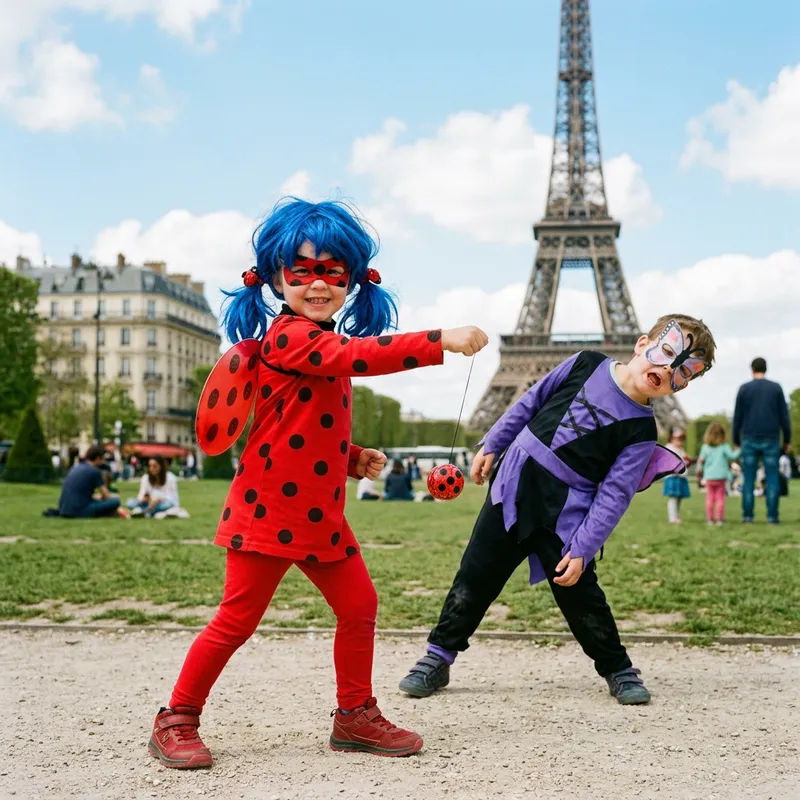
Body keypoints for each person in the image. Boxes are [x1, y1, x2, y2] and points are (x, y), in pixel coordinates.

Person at [148, 198, 489, 770]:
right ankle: (175, 719)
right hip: (267, 511)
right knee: (236, 620)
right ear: (276, 277)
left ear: (352, 280)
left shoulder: (317, 344)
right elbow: (356, 355)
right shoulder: (289, 337)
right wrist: (439, 340)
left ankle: (354, 715)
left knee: (360, 605)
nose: (317, 283)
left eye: (332, 272)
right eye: (300, 271)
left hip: (319, 513)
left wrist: (351, 458)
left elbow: (296, 422)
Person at [399, 314, 715, 707]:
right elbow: (529, 402)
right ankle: (438, 657)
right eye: (666, 352)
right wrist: (493, 441)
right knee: (475, 576)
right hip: (513, 488)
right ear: (640, 344)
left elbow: (614, 495)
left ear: (684, 383)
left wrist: (584, 548)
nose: (666, 369)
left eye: (682, 371)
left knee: (581, 595)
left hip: (566, 512)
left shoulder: (641, 432)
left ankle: (618, 668)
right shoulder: (585, 362)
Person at [733, 357, 791, 524]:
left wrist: (736, 439)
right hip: (771, 437)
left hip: (749, 437)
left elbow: (738, 416)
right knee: (772, 478)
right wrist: (786, 440)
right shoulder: (776, 388)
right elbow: (784, 417)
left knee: (749, 479)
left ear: (752, 369)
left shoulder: (744, 389)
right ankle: (772, 516)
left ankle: (748, 516)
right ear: (766, 369)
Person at [58, 445, 122, 518]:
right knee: (115, 501)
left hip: (64, 509)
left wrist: (97, 497)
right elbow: (106, 496)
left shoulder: (75, 467)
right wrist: (113, 496)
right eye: (103, 459)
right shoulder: (94, 471)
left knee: (100, 501)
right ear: (98, 458)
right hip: (80, 510)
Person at [696, 423, 740, 526]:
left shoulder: (705, 447)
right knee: (720, 498)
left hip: (709, 477)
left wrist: (699, 471)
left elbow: (701, 461)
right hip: (721, 476)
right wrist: (739, 450)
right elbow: (733, 456)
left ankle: (710, 519)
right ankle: (720, 519)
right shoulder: (724, 446)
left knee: (710, 498)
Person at [662, 427, 692, 524]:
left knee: (678, 498)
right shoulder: (669, 447)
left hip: (680, 477)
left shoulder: (680, 450)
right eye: (678, 439)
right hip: (672, 477)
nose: (680, 442)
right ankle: (672, 517)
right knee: (673, 498)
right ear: (671, 438)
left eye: (681, 440)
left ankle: (676, 516)